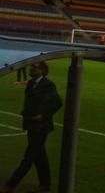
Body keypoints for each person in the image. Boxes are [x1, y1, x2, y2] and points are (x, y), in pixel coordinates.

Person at [1, 62, 63, 193]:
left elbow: (58, 102)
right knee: (40, 155)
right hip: (31, 124)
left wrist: (43, 115)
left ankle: (11, 185)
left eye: (35, 67)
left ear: (42, 70)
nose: (31, 69)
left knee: (29, 157)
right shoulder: (30, 83)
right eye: (32, 67)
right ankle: (45, 184)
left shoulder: (48, 85)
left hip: (41, 127)